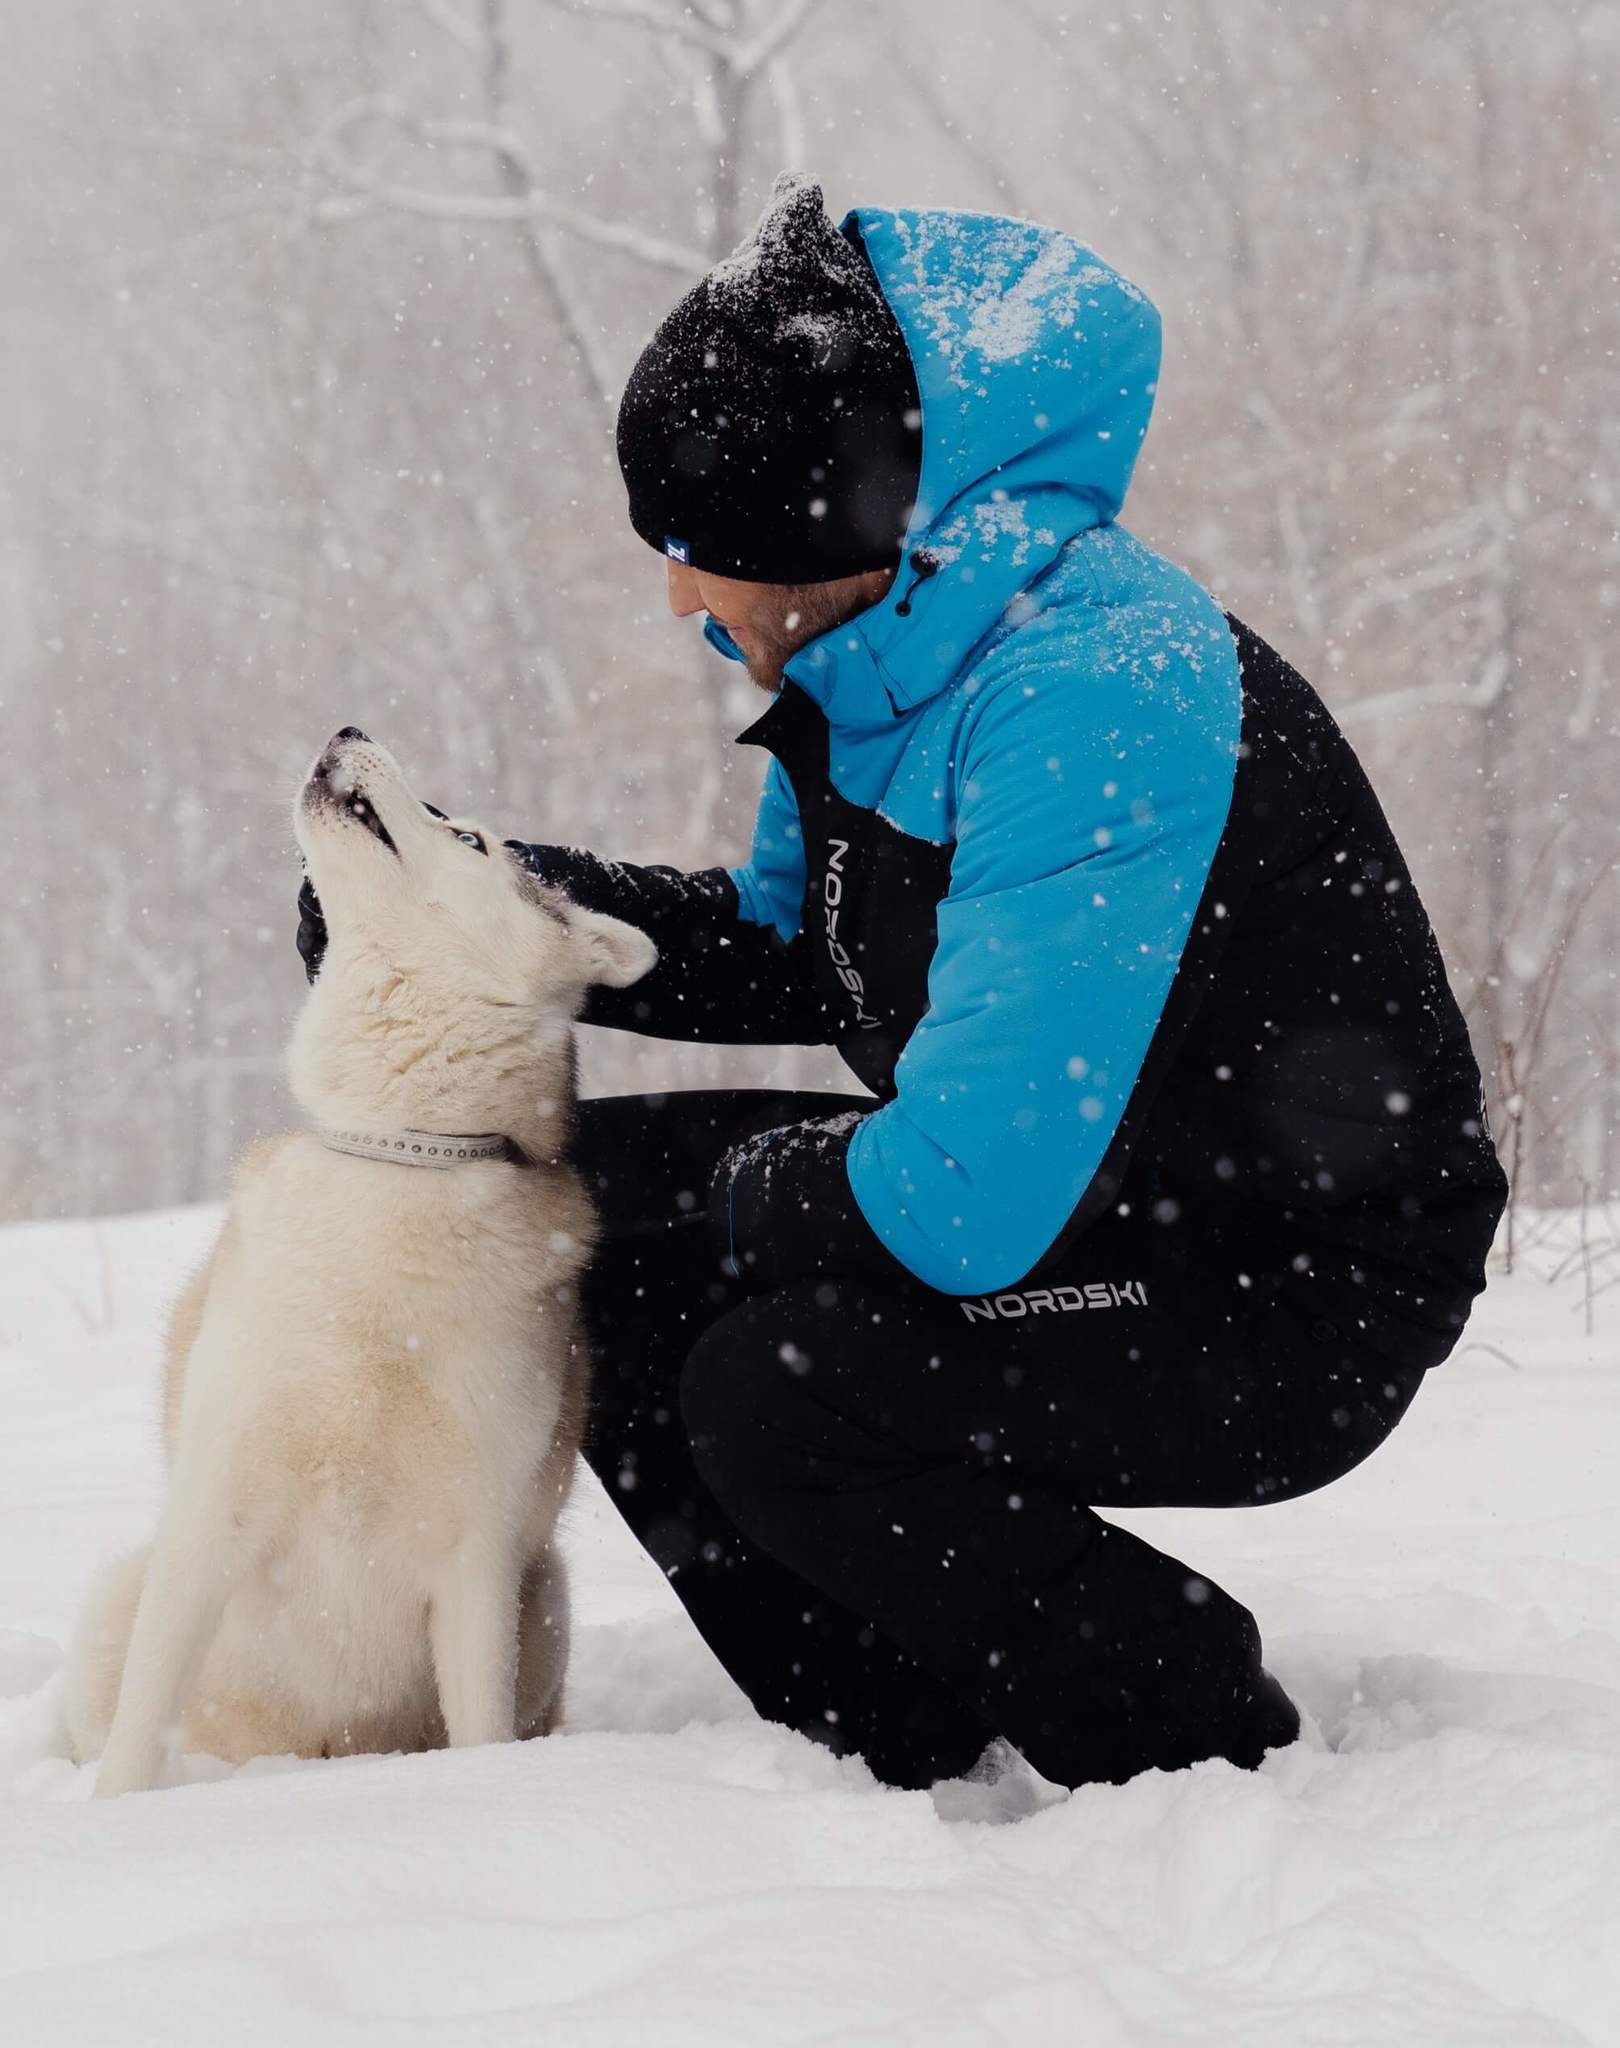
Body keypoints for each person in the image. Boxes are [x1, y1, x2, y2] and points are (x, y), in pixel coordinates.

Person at [297, 177, 1507, 1792]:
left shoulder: (1093, 694)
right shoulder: (888, 657)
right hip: (1097, 1193)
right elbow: (798, 947)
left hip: (1280, 1283)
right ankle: (890, 1722)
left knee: (770, 1382)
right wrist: (484, 901)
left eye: (694, 546)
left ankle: (1172, 1708)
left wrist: (741, 1200)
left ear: (819, 523)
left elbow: (963, 1206)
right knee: (570, 1220)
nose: (675, 594)